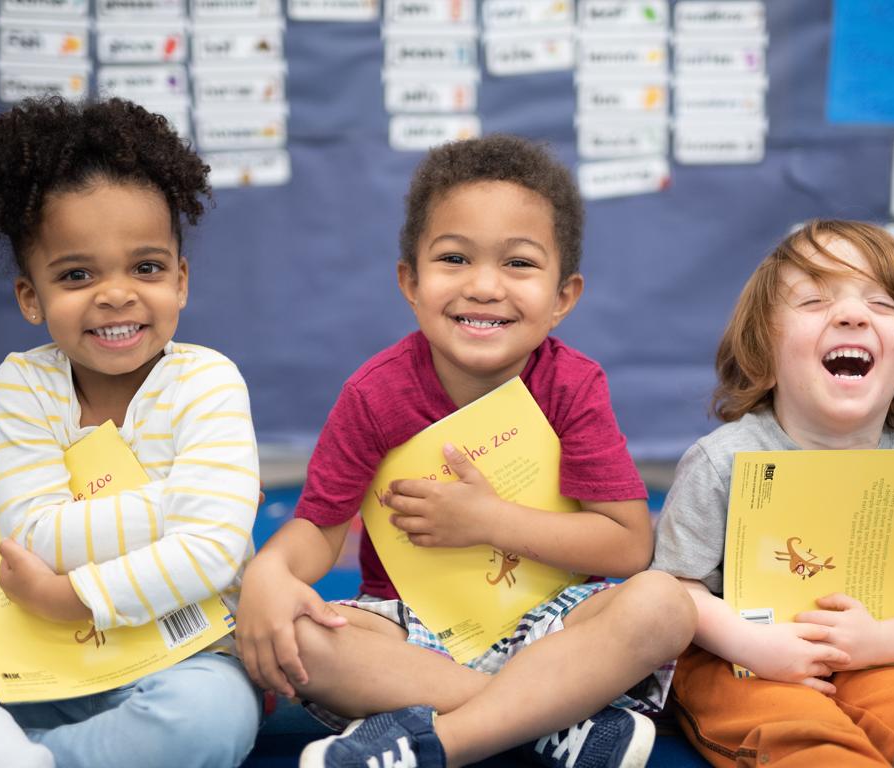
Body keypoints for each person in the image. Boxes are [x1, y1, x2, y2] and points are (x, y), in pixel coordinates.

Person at [236, 134, 696, 768]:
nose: (483, 286)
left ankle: (438, 743)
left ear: (563, 297)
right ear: (410, 281)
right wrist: (268, 574)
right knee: (301, 637)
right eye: (454, 259)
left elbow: (625, 544)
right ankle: (548, 721)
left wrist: (489, 522)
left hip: (555, 628)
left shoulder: (573, 384)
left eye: (519, 264)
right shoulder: (374, 395)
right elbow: (317, 529)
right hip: (413, 637)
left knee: (665, 606)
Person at [0, 97, 261, 768]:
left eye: (147, 268)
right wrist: (175, 506)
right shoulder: (21, 385)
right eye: (77, 274)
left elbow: (214, 554)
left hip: (182, 656)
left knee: (212, 717)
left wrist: (69, 594)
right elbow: (34, 533)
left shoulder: (208, 381)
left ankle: (19, 758)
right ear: (31, 297)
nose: (116, 294)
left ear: (181, 281)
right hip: (42, 657)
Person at [651, 219, 894, 767]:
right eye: (813, 301)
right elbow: (675, 592)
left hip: (876, 651)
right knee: (794, 728)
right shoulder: (722, 460)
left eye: (879, 303)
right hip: (735, 657)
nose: (852, 314)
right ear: (764, 358)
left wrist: (879, 643)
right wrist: (755, 646)